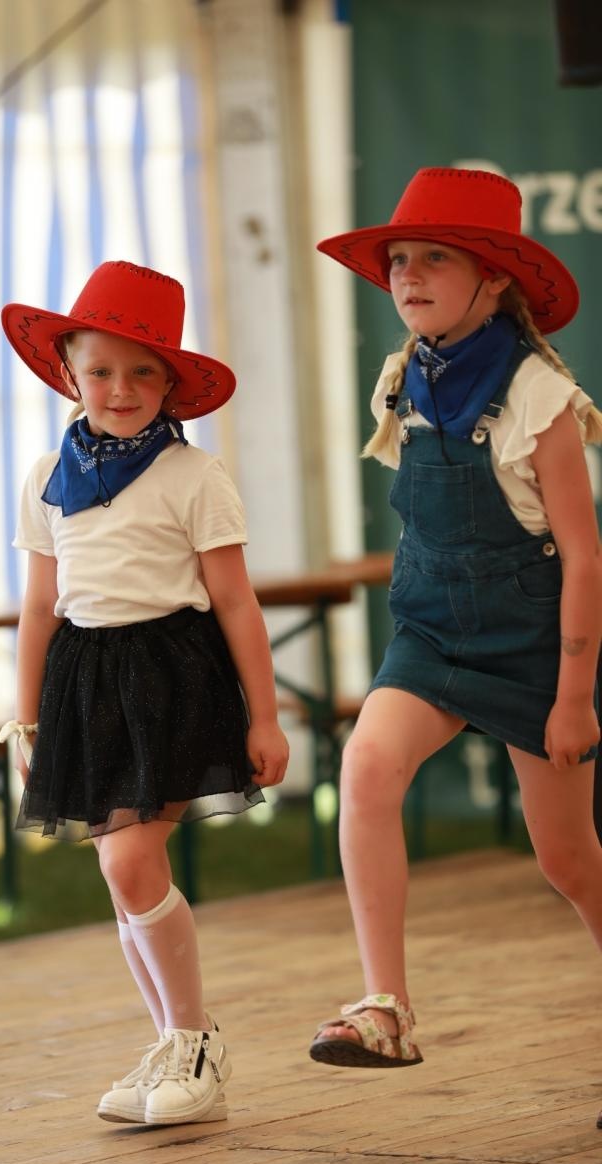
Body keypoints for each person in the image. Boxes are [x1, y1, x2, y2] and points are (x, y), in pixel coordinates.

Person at [308, 167, 602, 1072]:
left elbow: (584, 558)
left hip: (533, 645)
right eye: (398, 260)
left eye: (435, 258)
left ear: (495, 277)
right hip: (430, 631)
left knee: (567, 861)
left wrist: (573, 699)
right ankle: (385, 1009)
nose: (408, 276)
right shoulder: (402, 379)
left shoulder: (540, 398)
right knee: (366, 766)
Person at [0, 260, 289, 1126]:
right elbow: (40, 607)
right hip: (83, 681)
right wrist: (25, 720)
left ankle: (195, 1042)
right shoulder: (46, 477)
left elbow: (236, 602)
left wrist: (267, 717)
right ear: (68, 372)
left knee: (130, 861)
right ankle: (173, 1048)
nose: (120, 390)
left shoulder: (194, 476)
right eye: (101, 371)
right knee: (120, 875)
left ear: (171, 383)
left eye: (143, 372)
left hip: (173, 676)